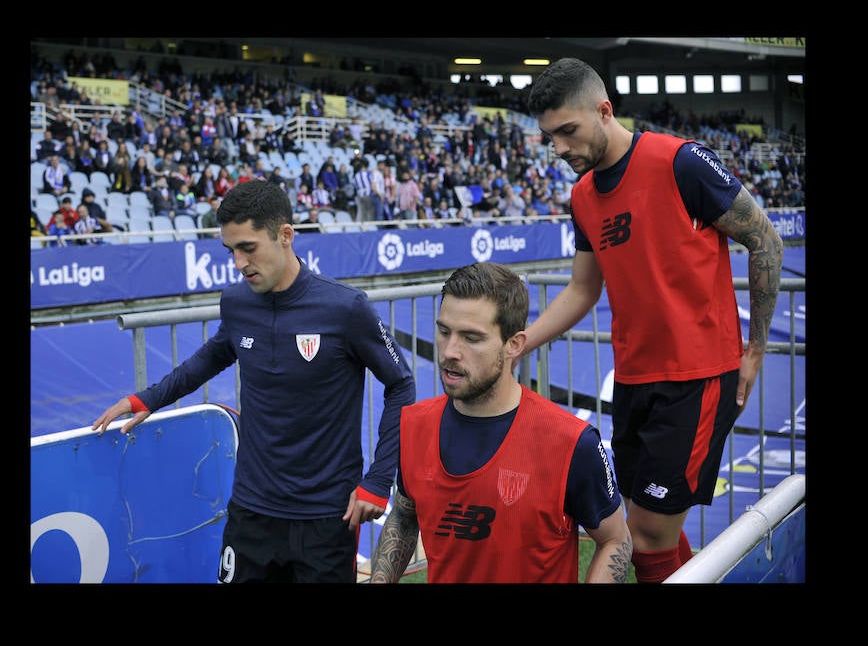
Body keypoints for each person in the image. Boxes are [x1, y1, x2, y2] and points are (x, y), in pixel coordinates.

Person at [521, 57, 784, 583]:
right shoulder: (582, 196)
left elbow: (765, 240)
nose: (559, 149)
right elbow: (582, 289)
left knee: (645, 535)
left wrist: (754, 349)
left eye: (568, 132)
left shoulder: (680, 162)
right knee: (642, 523)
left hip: (697, 378)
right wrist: (519, 342)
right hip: (634, 380)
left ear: (604, 110)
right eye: (550, 137)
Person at [91, 179, 416, 583]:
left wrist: (378, 479)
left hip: (327, 517)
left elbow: (401, 384)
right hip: (251, 513)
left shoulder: (346, 308)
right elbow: (213, 355)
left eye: (248, 248)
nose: (240, 262)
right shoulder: (236, 301)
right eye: (231, 250)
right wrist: (148, 399)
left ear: (285, 236)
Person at [369, 262, 631, 583]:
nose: (450, 351)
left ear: (514, 345)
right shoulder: (415, 424)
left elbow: (616, 539)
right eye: (444, 331)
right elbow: (405, 515)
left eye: (471, 338)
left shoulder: (571, 441)